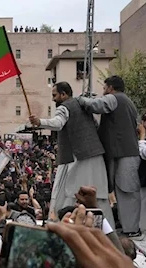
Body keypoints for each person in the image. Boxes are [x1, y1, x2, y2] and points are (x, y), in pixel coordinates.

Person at [29, 82, 114, 227]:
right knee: (97, 194)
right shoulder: (83, 106)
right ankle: (105, 227)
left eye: (55, 95)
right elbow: (95, 126)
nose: (53, 99)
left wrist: (39, 122)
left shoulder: (65, 107)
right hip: (94, 154)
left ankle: (66, 224)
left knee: (71, 192)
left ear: (64, 94)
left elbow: (57, 123)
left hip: (78, 158)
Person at [77, 75, 141, 238]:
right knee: (122, 190)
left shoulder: (115, 98)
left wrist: (81, 100)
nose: (103, 92)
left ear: (111, 88)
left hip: (125, 153)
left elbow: (97, 105)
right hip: (123, 152)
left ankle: (131, 229)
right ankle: (128, 227)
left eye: (105, 88)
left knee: (127, 190)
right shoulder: (127, 101)